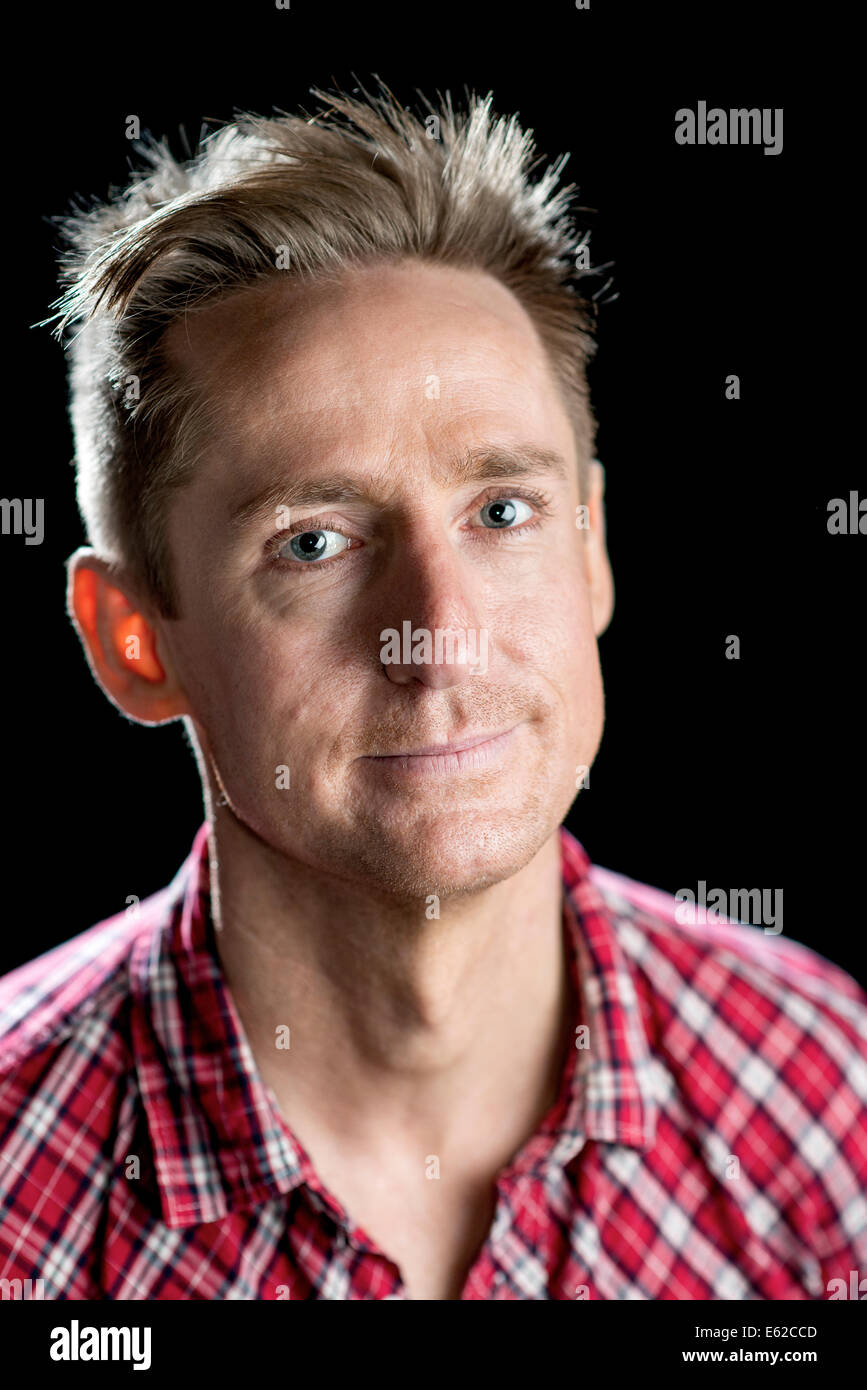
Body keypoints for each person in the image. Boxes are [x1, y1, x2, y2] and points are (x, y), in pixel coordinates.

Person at [1, 82, 864, 1302]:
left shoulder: (829, 1106)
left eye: (501, 513)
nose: (438, 634)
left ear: (592, 550)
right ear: (135, 641)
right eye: (313, 541)